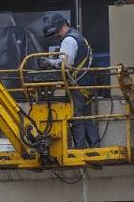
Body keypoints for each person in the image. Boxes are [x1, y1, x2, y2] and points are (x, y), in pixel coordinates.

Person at [42, 14, 99, 148]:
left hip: (78, 85)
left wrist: (50, 62)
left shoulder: (69, 40)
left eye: (56, 32)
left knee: (76, 115)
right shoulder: (79, 37)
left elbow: (65, 63)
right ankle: (95, 145)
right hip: (86, 84)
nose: (56, 36)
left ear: (60, 27)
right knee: (85, 115)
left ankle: (80, 148)